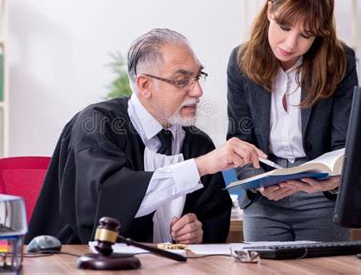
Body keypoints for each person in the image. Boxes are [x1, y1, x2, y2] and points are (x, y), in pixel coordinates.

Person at [27, 28, 265, 244]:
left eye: (198, 77)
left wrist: (198, 230)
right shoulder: (96, 125)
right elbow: (106, 205)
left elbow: (213, 217)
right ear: (144, 85)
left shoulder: (198, 143)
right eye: (182, 81)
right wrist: (200, 166)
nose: (198, 91)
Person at [227, 0, 358, 241]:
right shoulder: (241, 61)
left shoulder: (339, 61)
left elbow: (346, 142)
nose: (290, 44)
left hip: (320, 197)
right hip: (264, 199)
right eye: (285, 28)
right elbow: (239, 139)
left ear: (319, 34)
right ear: (270, 11)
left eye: (306, 35)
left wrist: (335, 181)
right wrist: (258, 183)